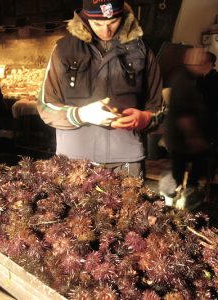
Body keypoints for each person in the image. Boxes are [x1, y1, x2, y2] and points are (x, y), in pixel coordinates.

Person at [37, 0, 164, 178]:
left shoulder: (143, 51)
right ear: (85, 17)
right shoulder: (63, 50)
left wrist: (146, 118)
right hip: (75, 162)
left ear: (123, 16)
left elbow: (159, 109)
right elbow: (45, 106)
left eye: (113, 22)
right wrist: (82, 114)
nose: (106, 31)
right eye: (98, 24)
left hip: (127, 162)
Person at [160, 48, 217, 207]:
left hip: (181, 138)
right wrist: (194, 138)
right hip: (183, 138)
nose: (206, 66)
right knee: (182, 168)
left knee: (179, 167)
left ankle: (177, 197)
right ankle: (178, 199)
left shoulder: (187, 77)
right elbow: (183, 114)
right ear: (195, 62)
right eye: (203, 62)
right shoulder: (183, 80)